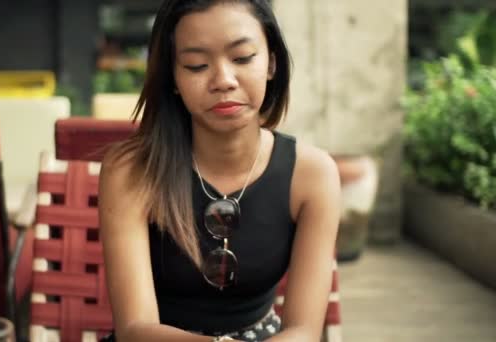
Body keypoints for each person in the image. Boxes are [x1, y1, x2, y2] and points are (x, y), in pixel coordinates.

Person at [98, 0, 340, 341]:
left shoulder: (313, 175)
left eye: (242, 58)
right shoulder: (130, 170)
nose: (223, 80)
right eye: (196, 65)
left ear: (272, 62)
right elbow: (135, 330)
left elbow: (303, 331)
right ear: (173, 78)